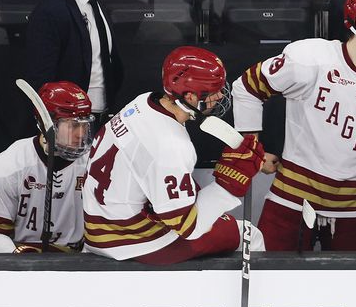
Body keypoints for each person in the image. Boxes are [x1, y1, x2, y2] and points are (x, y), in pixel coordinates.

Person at [231, 0, 356, 252]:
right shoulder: (311, 59)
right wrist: (253, 148)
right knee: (274, 288)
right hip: (293, 198)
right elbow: (247, 87)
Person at [83, 47, 265, 264]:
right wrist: (228, 185)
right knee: (248, 234)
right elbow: (188, 227)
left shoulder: (143, 102)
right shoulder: (170, 145)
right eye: (212, 91)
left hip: (99, 225)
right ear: (189, 96)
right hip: (131, 239)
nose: (220, 96)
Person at [24, 0, 124, 121]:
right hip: (69, 129)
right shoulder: (50, 11)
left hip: (103, 121)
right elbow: (40, 83)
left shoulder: (96, 3)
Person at [0, 82, 93, 253]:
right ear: (47, 123)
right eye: (73, 125)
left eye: (85, 125)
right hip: (20, 259)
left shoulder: (95, 163)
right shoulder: (8, 166)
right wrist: (17, 259)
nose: (81, 134)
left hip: (81, 259)